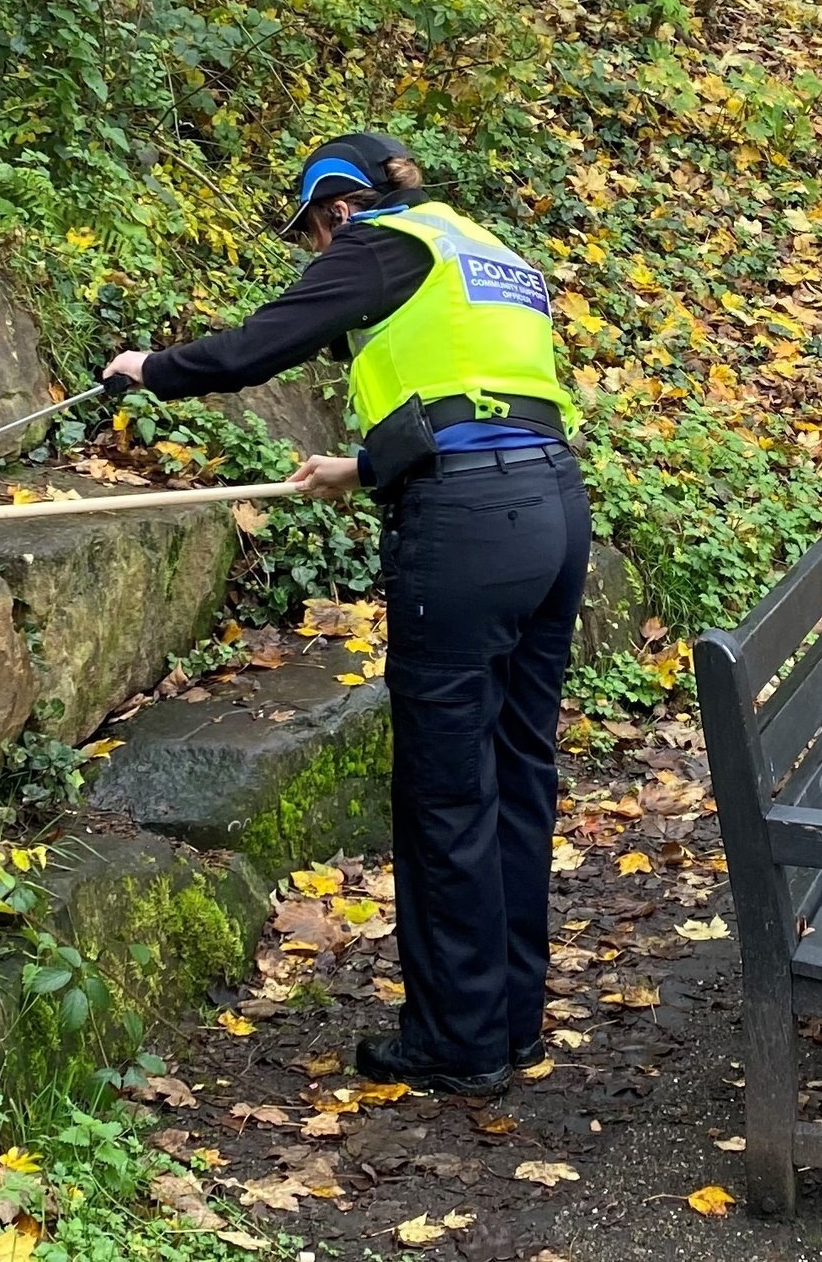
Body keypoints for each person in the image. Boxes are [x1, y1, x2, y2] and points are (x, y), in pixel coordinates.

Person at [103, 134, 590, 1097]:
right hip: (554, 511)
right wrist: (362, 467)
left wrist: (150, 369)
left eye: (312, 234)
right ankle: (512, 1020)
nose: (316, 254)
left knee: (448, 785)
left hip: (468, 530)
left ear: (337, 209)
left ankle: (460, 1042)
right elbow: (482, 393)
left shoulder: (377, 241)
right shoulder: (482, 248)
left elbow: (259, 345)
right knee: (519, 769)